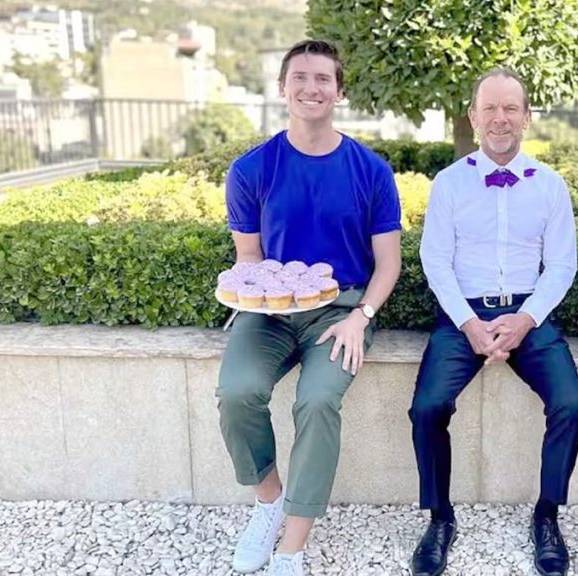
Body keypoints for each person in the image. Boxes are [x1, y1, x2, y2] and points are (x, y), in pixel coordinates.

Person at [216, 39, 402, 576]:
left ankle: (291, 547)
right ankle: (269, 502)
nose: (311, 87)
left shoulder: (371, 170)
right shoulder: (252, 169)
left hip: (341, 312)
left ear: (339, 92)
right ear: (282, 88)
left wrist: (361, 317)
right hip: (269, 312)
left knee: (318, 402)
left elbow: (388, 263)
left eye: (323, 78)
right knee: (236, 393)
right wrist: (250, 296)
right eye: (299, 77)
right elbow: (249, 257)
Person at [408, 69, 578, 576]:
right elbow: (435, 261)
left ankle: (547, 515)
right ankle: (440, 519)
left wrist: (526, 319)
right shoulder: (449, 183)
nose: (500, 118)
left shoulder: (550, 186)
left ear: (527, 117)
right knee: (427, 407)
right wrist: (469, 324)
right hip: (463, 315)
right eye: (490, 108)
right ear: (474, 116)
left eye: (511, 108)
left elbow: (562, 265)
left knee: (571, 403)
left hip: (530, 313)